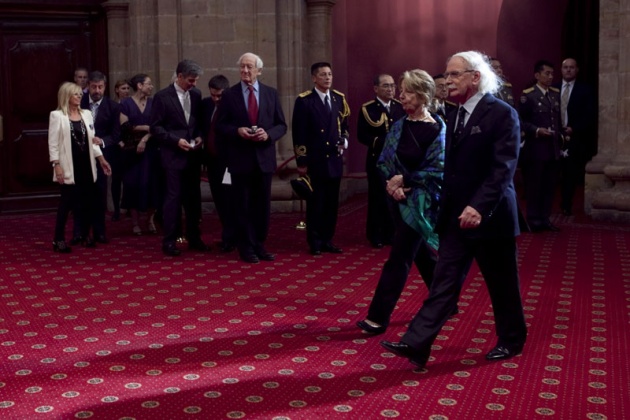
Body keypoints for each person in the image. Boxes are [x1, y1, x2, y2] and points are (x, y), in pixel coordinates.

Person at [380, 51, 527, 369]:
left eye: (454, 74)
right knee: (443, 283)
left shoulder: (502, 114)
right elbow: (448, 168)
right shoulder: (454, 114)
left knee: (502, 285)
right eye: (446, 75)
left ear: (475, 77)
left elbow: (502, 170)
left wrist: (478, 207)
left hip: (490, 218)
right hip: (455, 218)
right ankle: (416, 344)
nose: (447, 81)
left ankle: (511, 340)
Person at [356, 69, 445, 335]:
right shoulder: (399, 124)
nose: (401, 96)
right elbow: (383, 160)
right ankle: (446, 301)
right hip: (395, 199)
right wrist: (391, 184)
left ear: (422, 94)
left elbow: (438, 168)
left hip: (420, 203)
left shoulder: (438, 127)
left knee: (399, 259)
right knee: (421, 255)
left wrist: (404, 182)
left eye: (406, 91)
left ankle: (377, 317)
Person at [215, 52, 287, 263]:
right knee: (242, 205)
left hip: (263, 160)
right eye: (242, 67)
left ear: (259, 71)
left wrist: (269, 134)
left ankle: (259, 245)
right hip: (240, 159)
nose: (245, 71)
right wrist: (237, 131)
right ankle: (245, 247)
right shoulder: (230, 95)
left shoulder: (271, 94)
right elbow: (220, 126)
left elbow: (281, 125)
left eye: (249, 67)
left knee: (262, 206)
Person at [292, 62, 350, 256]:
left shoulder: (338, 99)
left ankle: (328, 239)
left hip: (334, 159)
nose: (328, 78)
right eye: (323, 75)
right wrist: (302, 162)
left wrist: (345, 141)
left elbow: (345, 125)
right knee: (316, 203)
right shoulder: (305, 101)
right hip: (316, 161)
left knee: (332, 204)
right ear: (314, 78)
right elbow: (299, 133)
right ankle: (315, 241)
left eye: (330, 74)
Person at [150, 59, 207, 256]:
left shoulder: (197, 94)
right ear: (180, 76)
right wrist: (175, 141)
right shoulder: (162, 97)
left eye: (196, 80)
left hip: (192, 155)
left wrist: (200, 136)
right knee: (173, 199)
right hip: (172, 156)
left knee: (193, 199)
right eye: (191, 80)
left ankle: (194, 237)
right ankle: (170, 241)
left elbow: (197, 122)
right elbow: (156, 128)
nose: (194, 84)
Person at [49, 82, 112, 252]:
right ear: (67, 96)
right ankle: (58, 238)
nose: (80, 96)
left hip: (87, 164)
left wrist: (102, 159)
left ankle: (85, 235)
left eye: (80, 94)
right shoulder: (57, 116)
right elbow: (53, 144)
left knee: (88, 201)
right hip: (69, 165)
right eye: (76, 94)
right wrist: (56, 165)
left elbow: (92, 140)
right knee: (66, 204)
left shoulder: (87, 114)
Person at [357, 74, 405, 248]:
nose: (390, 89)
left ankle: (392, 233)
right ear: (376, 89)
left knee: (395, 197)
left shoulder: (400, 107)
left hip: (397, 161)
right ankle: (375, 235)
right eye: (386, 86)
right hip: (377, 159)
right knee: (378, 197)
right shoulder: (368, 109)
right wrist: (383, 142)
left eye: (393, 86)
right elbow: (362, 135)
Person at [73, 71, 121, 243]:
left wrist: (102, 141)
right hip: (80, 156)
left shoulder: (113, 107)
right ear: (88, 87)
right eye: (94, 87)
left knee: (99, 194)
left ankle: (99, 231)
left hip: (102, 157)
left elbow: (115, 135)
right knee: (79, 194)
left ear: (105, 87)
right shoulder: (80, 103)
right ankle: (79, 232)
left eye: (100, 87)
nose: (97, 90)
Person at [519, 60, 562, 232]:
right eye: (547, 73)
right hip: (536, 149)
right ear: (537, 75)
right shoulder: (528, 95)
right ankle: (533, 219)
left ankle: (545, 218)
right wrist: (536, 130)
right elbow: (521, 121)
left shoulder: (554, 94)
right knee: (535, 186)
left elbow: (557, 120)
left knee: (549, 186)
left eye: (552, 73)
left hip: (552, 148)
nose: (550, 77)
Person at [200, 74, 236, 253]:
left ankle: (232, 238)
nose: (216, 99)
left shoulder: (234, 107)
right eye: (213, 95)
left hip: (230, 163)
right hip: (212, 162)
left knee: (232, 201)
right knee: (220, 201)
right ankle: (227, 235)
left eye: (219, 96)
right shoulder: (206, 105)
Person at [555, 58, 596, 216]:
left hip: (575, 137)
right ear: (561, 69)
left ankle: (566, 205)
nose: (568, 70)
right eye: (565, 67)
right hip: (554, 137)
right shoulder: (554, 88)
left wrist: (574, 128)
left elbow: (589, 114)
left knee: (569, 174)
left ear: (577, 69)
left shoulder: (585, 90)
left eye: (572, 67)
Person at [119, 73, 159, 235]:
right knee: (132, 185)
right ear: (139, 86)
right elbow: (125, 126)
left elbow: (157, 126)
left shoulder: (154, 102)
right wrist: (145, 128)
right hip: (131, 152)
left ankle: (150, 220)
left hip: (150, 150)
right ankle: (135, 223)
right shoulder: (126, 103)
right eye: (148, 83)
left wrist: (146, 138)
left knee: (152, 185)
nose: (151, 86)